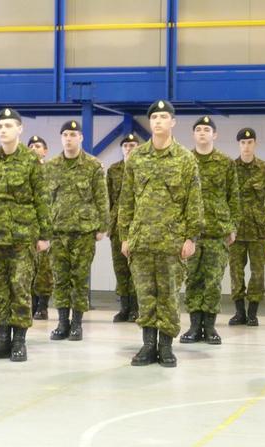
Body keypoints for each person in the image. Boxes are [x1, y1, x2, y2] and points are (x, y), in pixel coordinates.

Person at [118, 100, 204, 368]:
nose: (158, 121)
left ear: (173, 122)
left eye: (163, 117)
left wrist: (191, 237)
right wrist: (124, 235)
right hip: (141, 238)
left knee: (168, 295)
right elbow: (126, 199)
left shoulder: (185, 159)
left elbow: (194, 200)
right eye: (154, 117)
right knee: (145, 295)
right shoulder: (137, 158)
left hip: (172, 240)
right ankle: (147, 345)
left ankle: (166, 347)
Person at [0, 108, 50, 362]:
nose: (4, 130)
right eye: (0, 126)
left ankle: (19, 341)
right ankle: (1, 339)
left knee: (19, 287)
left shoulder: (31, 162)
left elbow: (42, 199)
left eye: (9, 125)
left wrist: (44, 235)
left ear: (20, 129)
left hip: (22, 235)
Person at [45, 120, 109, 341]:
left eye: (73, 134)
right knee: (60, 278)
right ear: (61, 138)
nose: (69, 138)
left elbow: (102, 197)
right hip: (58, 231)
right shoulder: (51, 166)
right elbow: (45, 200)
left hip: (84, 232)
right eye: (65, 134)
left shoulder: (92, 166)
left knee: (80, 279)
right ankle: (63, 323)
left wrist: (103, 226)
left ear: (81, 138)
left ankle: (77, 324)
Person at [180, 116, 239, 345]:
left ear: (215, 135)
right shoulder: (185, 161)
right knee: (193, 279)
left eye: (207, 129)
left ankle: (210, 327)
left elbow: (234, 197)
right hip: (191, 234)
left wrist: (233, 226)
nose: (202, 133)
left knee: (213, 281)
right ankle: (195, 326)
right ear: (193, 135)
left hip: (217, 232)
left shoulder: (225, 162)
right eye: (198, 130)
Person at [228, 128, 265, 327]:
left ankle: (252, 313)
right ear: (239, 145)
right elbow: (225, 198)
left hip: (258, 230)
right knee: (236, 272)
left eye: (250, 142)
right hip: (235, 231)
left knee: (258, 273)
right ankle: (239, 313)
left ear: (255, 144)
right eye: (243, 143)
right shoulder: (230, 168)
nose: (246, 146)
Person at [107, 134, 139, 323]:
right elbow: (109, 198)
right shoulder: (114, 170)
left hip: (136, 225)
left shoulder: (142, 168)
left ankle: (135, 307)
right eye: (126, 145)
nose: (129, 148)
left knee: (134, 268)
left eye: (132, 145)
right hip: (117, 226)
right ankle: (124, 307)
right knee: (120, 268)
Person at [28, 135, 53, 320]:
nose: (34, 148)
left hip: (47, 226)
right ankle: (31, 304)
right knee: (28, 267)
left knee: (44, 269)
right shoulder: (23, 171)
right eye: (30, 146)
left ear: (45, 151)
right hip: (28, 226)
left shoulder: (51, 170)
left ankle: (42, 306)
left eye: (38, 145)